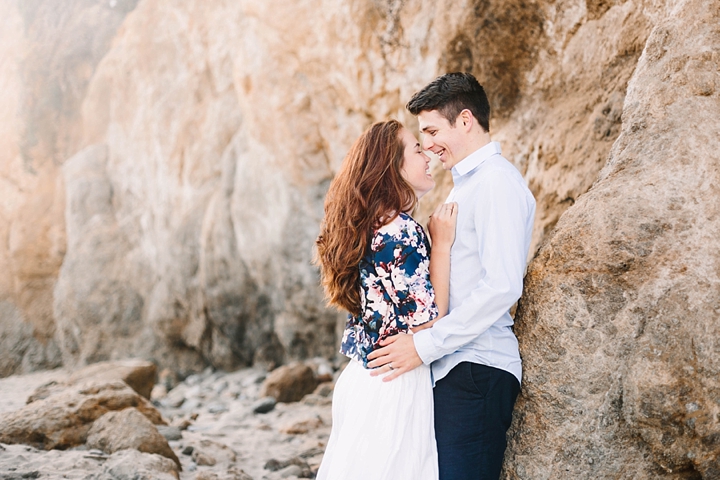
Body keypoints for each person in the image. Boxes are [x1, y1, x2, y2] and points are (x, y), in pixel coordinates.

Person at [367, 73, 537, 480]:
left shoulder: (496, 182)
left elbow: (502, 286)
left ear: (465, 121)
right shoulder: (466, 186)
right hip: (457, 366)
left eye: (431, 130)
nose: (426, 145)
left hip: (478, 368)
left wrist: (424, 345)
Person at [314, 119, 458, 480]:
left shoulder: (369, 226)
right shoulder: (401, 230)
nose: (427, 156)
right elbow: (428, 321)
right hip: (395, 385)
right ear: (392, 168)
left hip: (363, 379)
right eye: (416, 149)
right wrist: (440, 245)